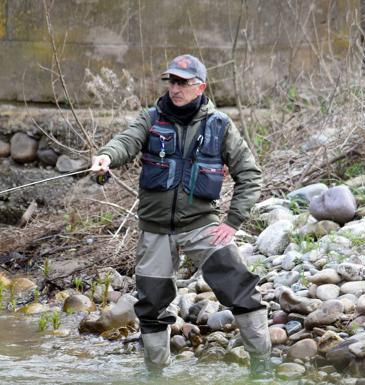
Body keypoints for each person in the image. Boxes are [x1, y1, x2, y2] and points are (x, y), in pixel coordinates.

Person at [90, 54, 272, 379]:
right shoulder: (151, 118)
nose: (175, 88)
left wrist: (232, 223)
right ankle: (156, 375)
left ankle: (263, 368)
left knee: (241, 289)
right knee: (152, 305)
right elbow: (125, 142)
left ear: (200, 86)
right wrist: (105, 157)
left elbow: (250, 174)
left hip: (202, 225)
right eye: (171, 81)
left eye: (182, 83)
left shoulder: (220, 126)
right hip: (155, 230)